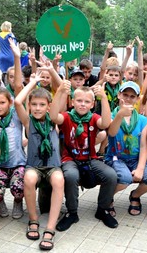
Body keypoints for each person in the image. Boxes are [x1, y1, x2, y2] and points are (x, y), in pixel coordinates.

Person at [50, 82, 118, 230]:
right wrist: (60, 92)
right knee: (71, 176)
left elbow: (106, 122)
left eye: (87, 102)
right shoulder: (67, 117)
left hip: (90, 158)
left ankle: (102, 209)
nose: (82, 104)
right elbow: (53, 116)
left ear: (92, 104)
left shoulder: (93, 118)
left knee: (111, 175)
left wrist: (104, 99)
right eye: (79, 101)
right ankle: (72, 212)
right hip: (70, 159)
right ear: (73, 102)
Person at [14, 74, 63, 251]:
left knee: (59, 180)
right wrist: (33, 82)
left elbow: (61, 93)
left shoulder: (54, 121)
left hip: (53, 166)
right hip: (34, 166)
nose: (37, 108)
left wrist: (55, 73)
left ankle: (50, 229)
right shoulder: (29, 122)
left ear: (49, 107)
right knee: (28, 179)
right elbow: (18, 102)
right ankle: (33, 219)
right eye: (34, 104)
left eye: (42, 105)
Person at [0, 43, 26, 219]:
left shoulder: (16, 112)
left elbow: (18, 86)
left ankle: (18, 202)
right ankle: (0, 202)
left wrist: (17, 57)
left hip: (17, 163)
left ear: (10, 102)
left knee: (18, 189)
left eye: (2, 102)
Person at [106, 81, 147, 216]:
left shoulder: (142, 120)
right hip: (115, 158)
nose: (128, 99)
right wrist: (120, 115)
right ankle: (106, 196)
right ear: (119, 95)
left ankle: (135, 195)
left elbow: (144, 145)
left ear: (137, 99)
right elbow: (112, 133)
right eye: (125, 94)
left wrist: (141, 168)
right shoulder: (112, 115)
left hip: (135, 158)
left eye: (132, 96)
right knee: (125, 178)